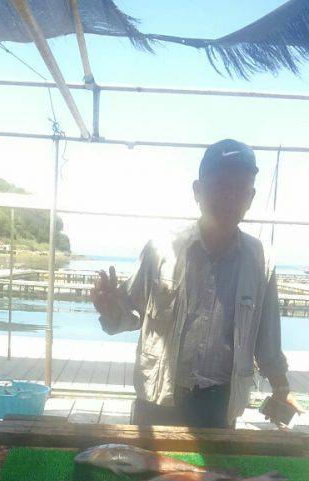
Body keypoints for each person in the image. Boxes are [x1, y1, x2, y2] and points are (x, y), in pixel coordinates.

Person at [92, 139, 298, 428]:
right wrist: (111, 309)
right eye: (220, 186)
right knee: (149, 471)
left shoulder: (260, 261)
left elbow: (268, 341)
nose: (229, 197)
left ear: (250, 197)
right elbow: (130, 315)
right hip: (159, 395)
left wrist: (281, 388)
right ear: (198, 191)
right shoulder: (160, 249)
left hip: (221, 404)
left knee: (214, 474)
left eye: (239, 189)